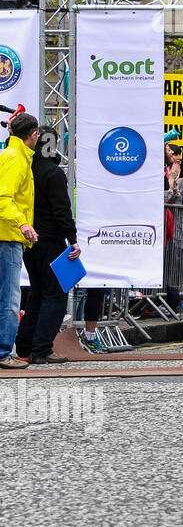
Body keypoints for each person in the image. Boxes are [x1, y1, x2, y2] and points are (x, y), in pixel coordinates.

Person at [14, 123, 78, 365]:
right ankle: (42, 348)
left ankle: (25, 346)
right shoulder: (53, 173)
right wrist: (72, 240)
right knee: (56, 294)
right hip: (51, 240)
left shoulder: (26, 168)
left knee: (37, 294)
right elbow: (62, 211)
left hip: (28, 240)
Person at [0, 112, 38, 369]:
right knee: (10, 299)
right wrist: (23, 223)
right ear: (32, 135)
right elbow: (3, 198)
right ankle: (3, 353)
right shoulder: (16, 159)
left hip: (8, 235)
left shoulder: (12, 156)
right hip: (8, 237)